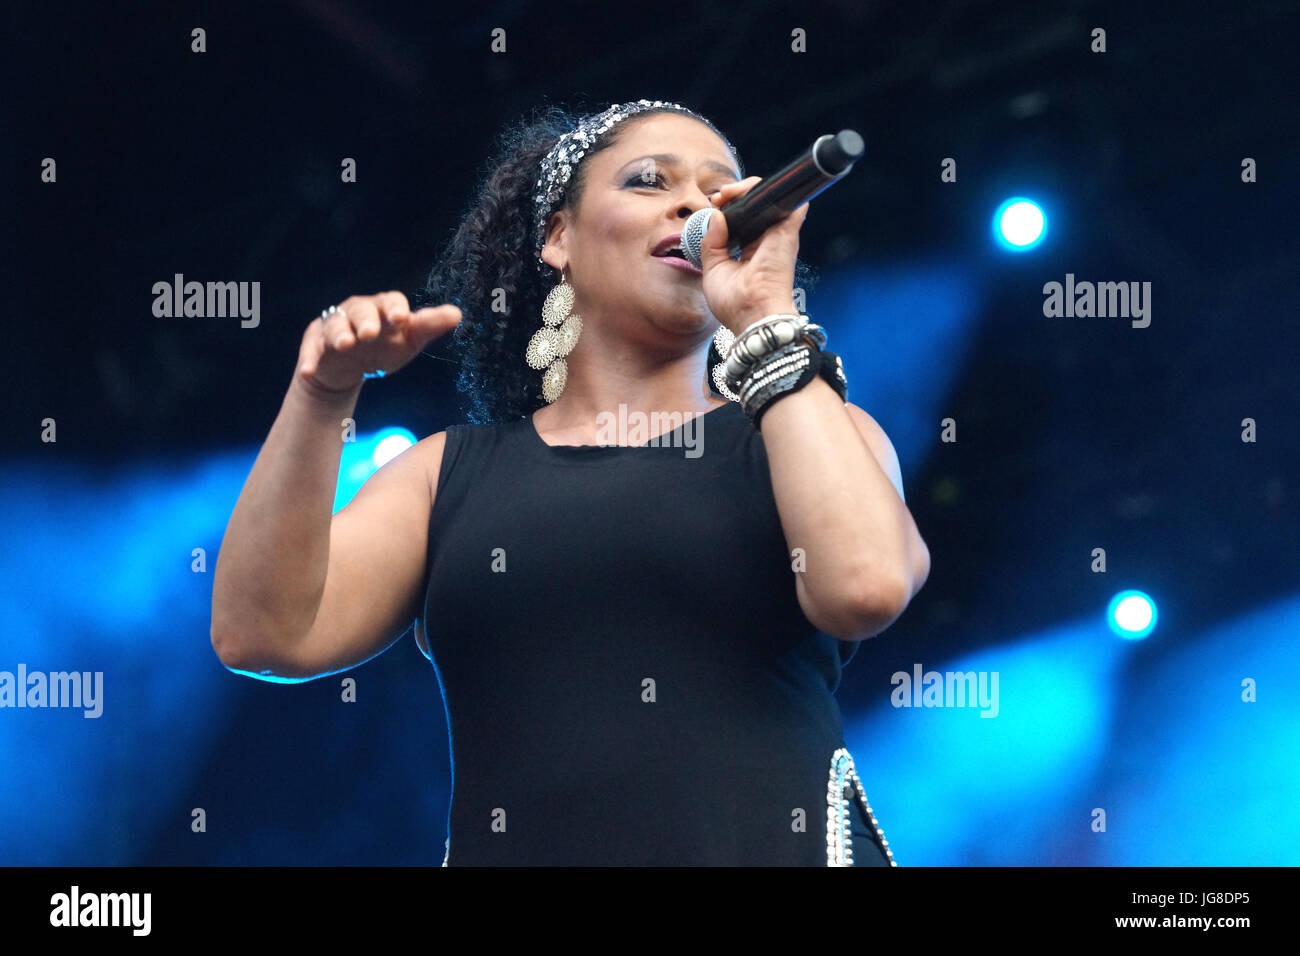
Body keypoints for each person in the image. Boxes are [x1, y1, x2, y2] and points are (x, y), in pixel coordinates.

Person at [210, 98, 930, 866]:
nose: (694, 203)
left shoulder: (804, 432)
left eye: (720, 189)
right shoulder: (447, 474)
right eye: (650, 181)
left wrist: (764, 317)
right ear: (559, 238)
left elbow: (866, 587)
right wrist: (322, 397)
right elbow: (265, 633)